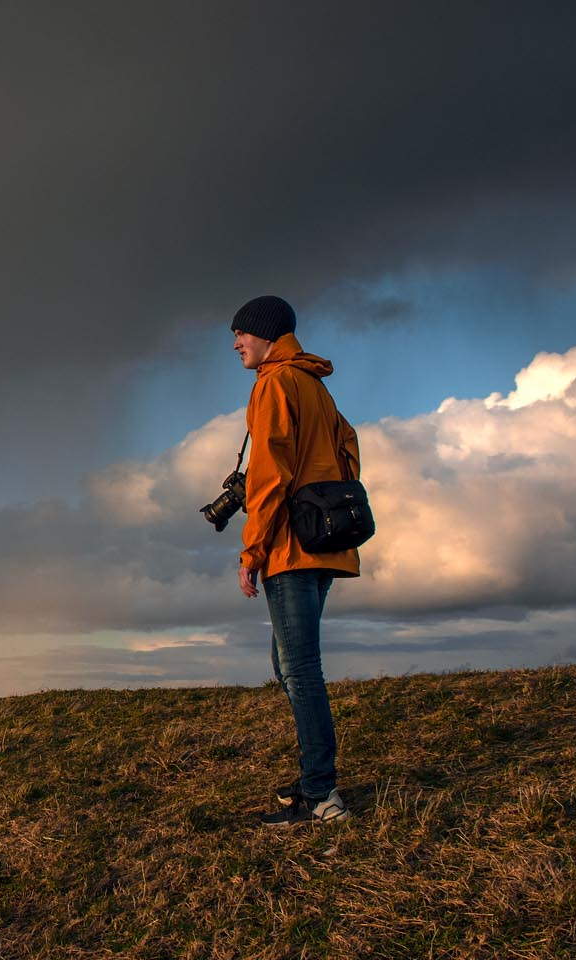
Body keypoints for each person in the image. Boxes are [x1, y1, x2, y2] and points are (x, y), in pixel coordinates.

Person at [229, 294, 359, 827]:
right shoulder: (315, 385)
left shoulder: (275, 383)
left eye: (240, 334)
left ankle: (322, 794)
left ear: (265, 334)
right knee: (288, 665)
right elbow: (348, 449)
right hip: (325, 539)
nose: (235, 344)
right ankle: (313, 777)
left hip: (289, 546)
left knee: (300, 670)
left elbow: (268, 474)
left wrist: (252, 549)